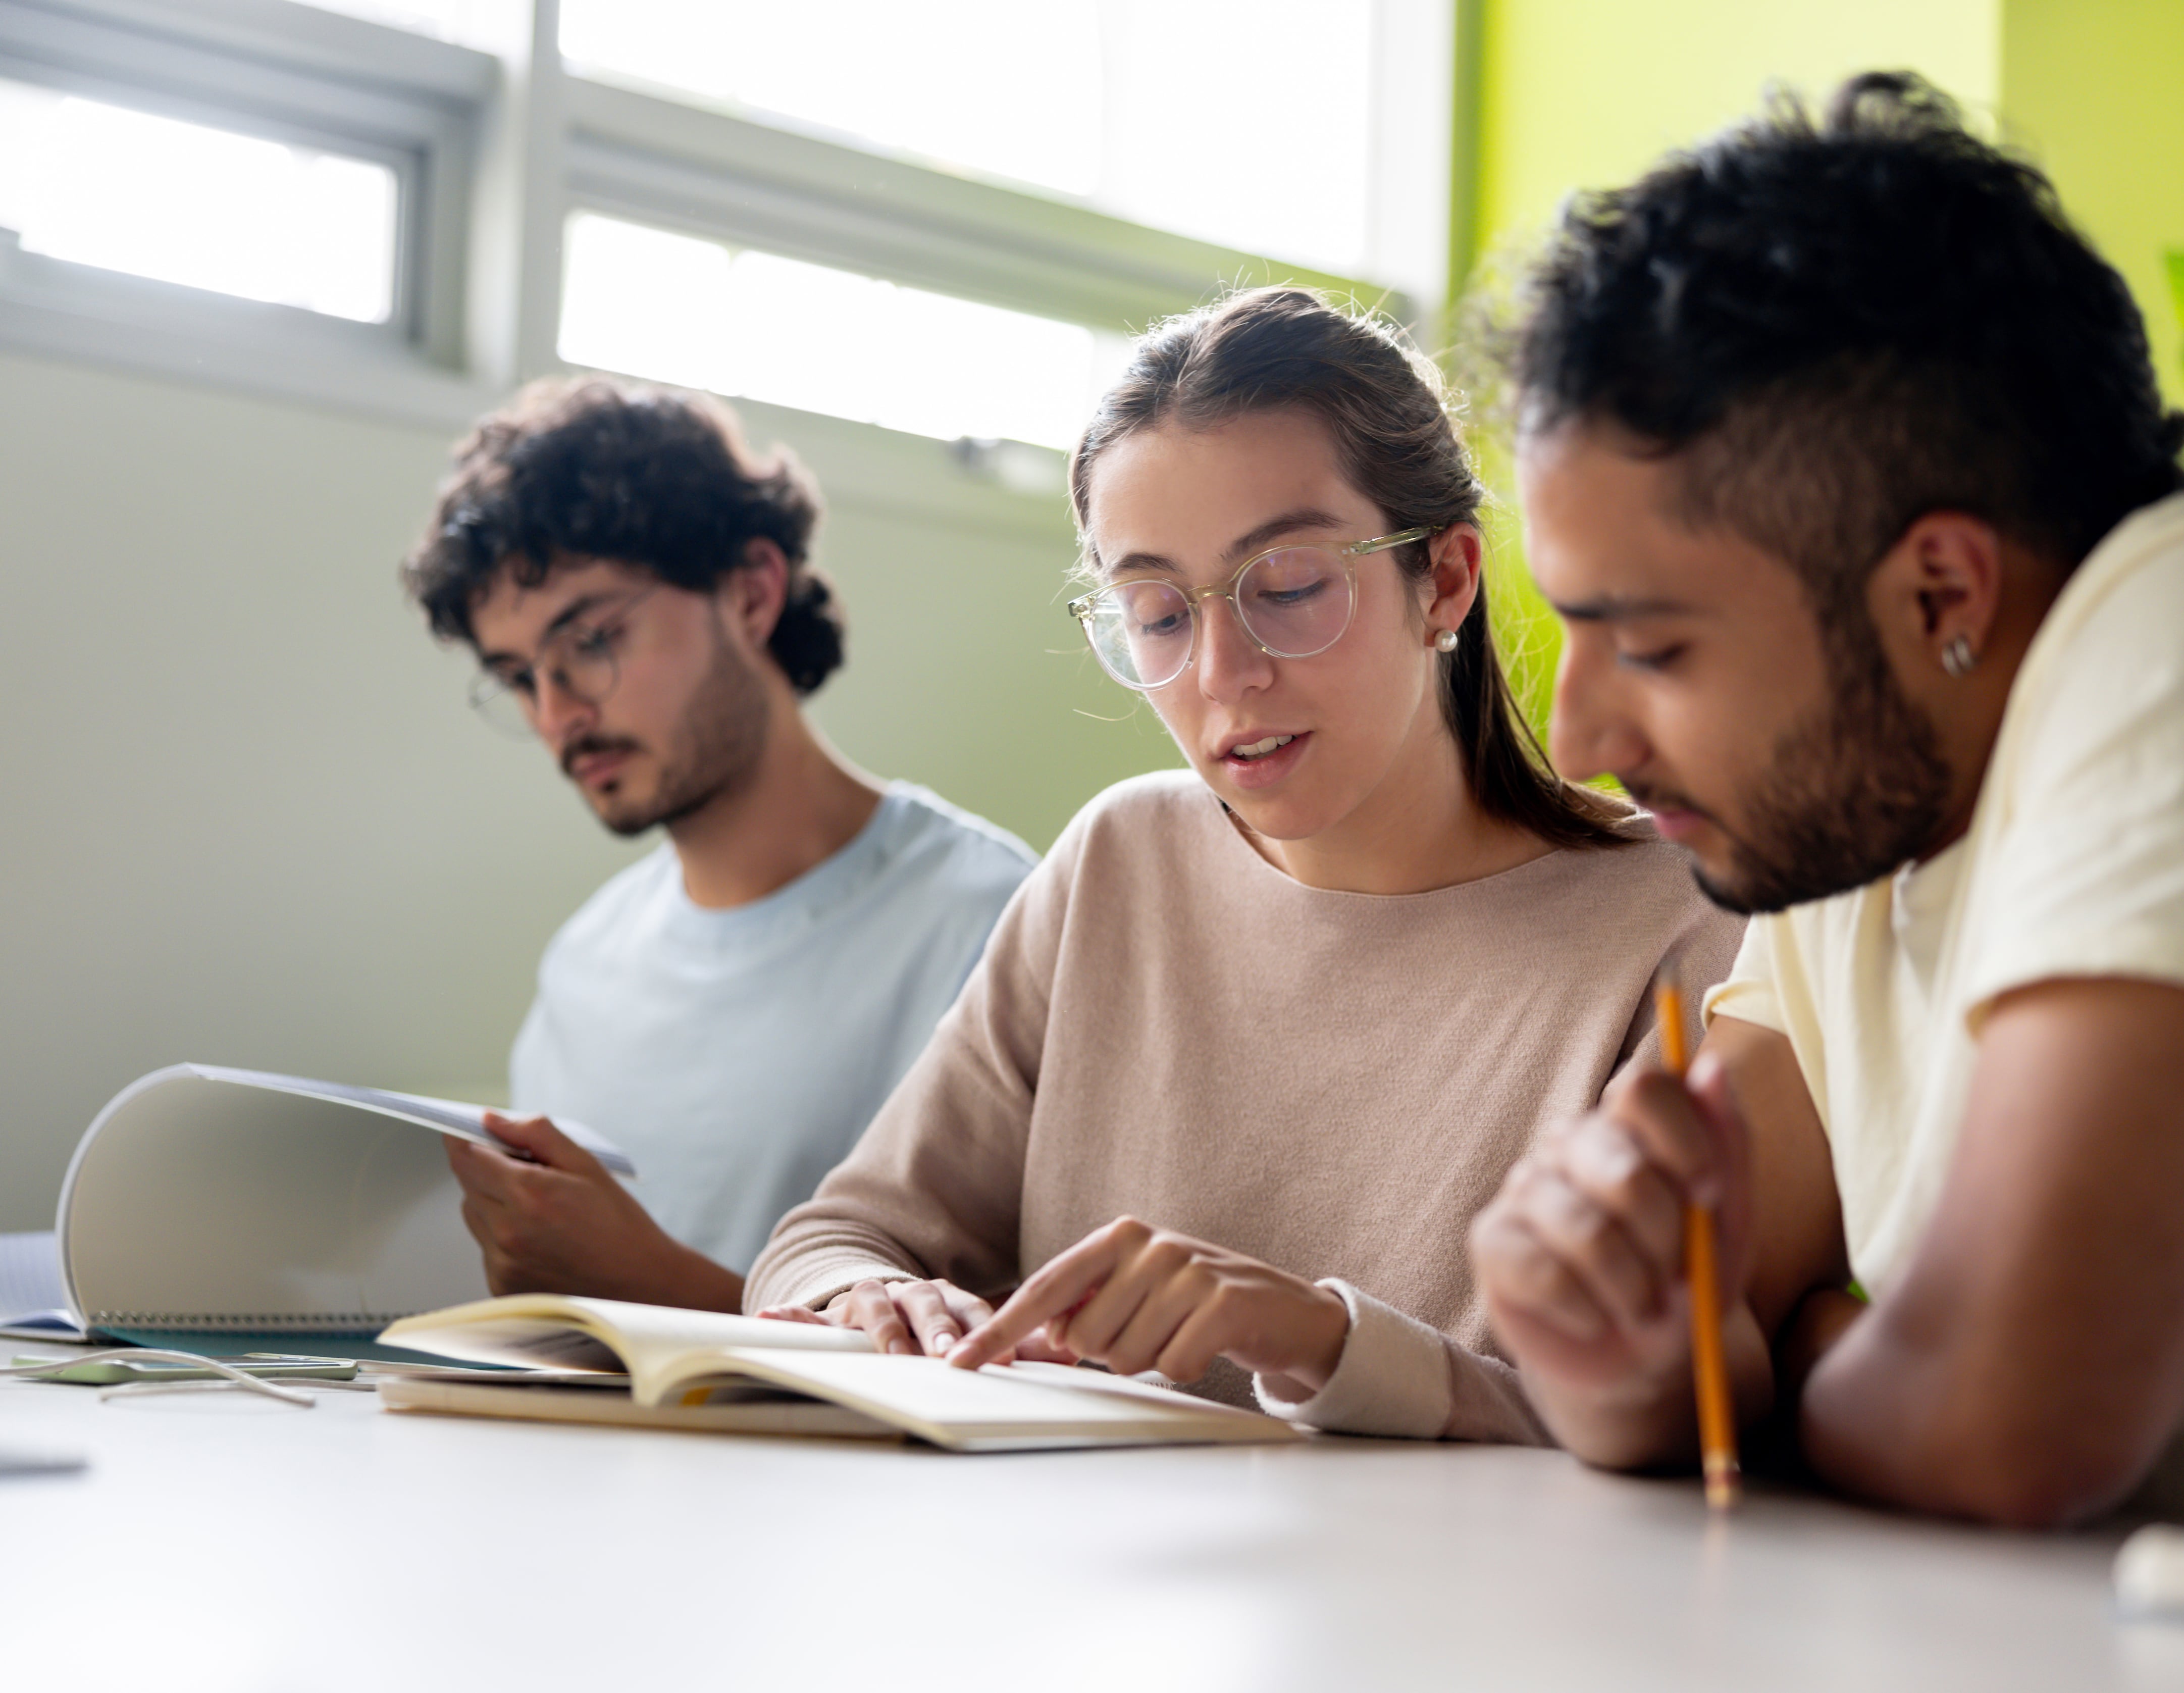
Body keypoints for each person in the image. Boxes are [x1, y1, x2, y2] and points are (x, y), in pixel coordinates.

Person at [1467, 72, 2184, 1524]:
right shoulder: (1855, 809)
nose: (1578, 731)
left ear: (1942, 589)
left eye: (1651, 644)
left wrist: (1806, 1363)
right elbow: (1702, 1331)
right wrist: (1635, 1350)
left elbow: (2001, 1423)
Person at [749, 287, 1741, 1440]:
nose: (1224, 672)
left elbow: (1662, 1418)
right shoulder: (1119, 863)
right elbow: (828, 1238)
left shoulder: (1681, 925)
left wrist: (1321, 1340)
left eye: (1289, 588)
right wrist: (859, 1297)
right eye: (1158, 614)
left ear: (1449, 582)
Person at [401, 377, 1035, 1313]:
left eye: (594, 638)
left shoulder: (998, 923)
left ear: (750, 593)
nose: (558, 711)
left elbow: (1024, 1360)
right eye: (519, 676)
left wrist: (655, 1285)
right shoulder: (582, 968)